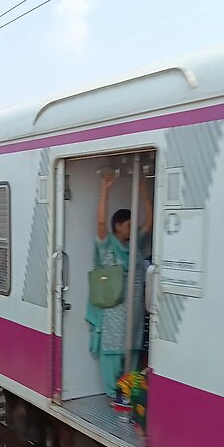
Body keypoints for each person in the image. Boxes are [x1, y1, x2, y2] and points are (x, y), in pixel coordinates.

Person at [87, 171, 153, 399]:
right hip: (114, 316)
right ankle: (112, 397)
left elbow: (149, 222)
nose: (131, 228)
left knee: (133, 360)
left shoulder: (135, 246)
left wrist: (145, 191)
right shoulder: (107, 247)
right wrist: (105, 191)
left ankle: (129, 398)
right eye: (127, 225)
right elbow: (101, 222)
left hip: (133, 316)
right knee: (113, 359)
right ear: (117, 227)